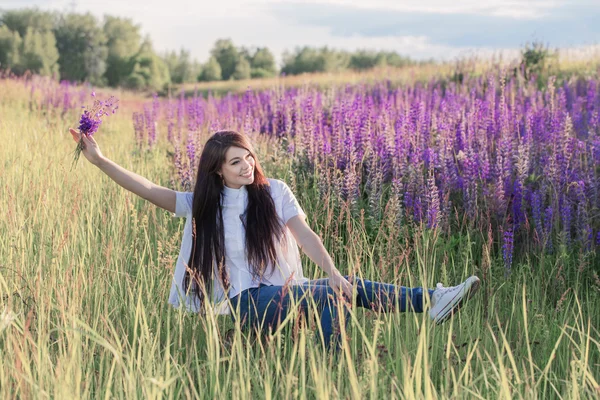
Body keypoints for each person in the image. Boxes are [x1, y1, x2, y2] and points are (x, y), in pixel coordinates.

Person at [69, 128, 481, 350]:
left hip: (282, 290)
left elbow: (305, 234)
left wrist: (333, 272)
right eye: (235, 161)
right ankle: (334, 364)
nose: (247, 164)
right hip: (245, 303)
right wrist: (100, 160)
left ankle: (432, 301)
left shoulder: (275, 191)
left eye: (248, 156)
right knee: (324, 296)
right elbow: (145, 188)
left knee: (342, 287)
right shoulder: (202, 204)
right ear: (218, 170)